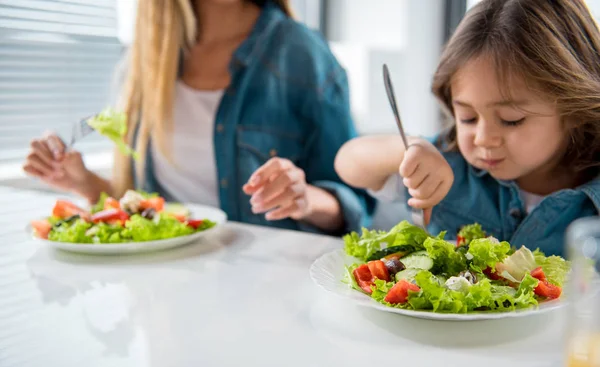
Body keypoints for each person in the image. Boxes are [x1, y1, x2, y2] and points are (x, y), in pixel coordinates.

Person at [22, 0, 374, 235]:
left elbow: (355, 208)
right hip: (167, 300)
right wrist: (82, 181)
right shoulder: (146, 60)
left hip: (268, 297)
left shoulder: (301, 54)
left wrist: (304, 198)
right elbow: (145, 208)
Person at [334, 0, 600, 257]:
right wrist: (409, 150)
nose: (483, 139)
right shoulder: (447, 164)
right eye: (468, 118)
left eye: (511, 119)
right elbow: (349, 162)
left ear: (574, 109)